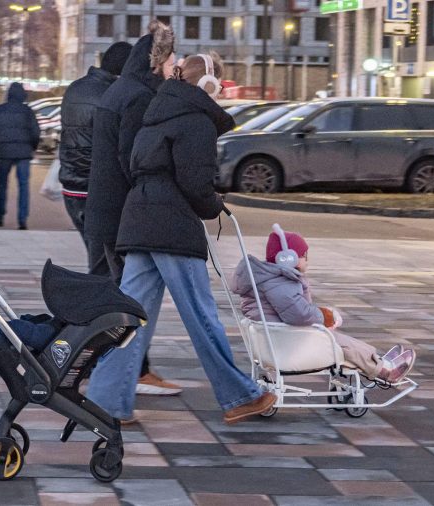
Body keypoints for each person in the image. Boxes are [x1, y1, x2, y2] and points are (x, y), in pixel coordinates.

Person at [86, 52, 277, 425]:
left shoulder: (154, 115)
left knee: (132, 320)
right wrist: (213, 204)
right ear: (209, 85)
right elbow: (194, 182)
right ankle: (240, 395)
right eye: (218, 85)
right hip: (171, 227)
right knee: (201, 316)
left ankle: (106, 402)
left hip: (138, 223)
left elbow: (132, 164)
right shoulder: (196, 121)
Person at [83, 22, 183, 398]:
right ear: (156, 60)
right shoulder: (139, 97)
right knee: (129, 301)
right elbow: (133, 158)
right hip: (122, 213)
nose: (175, 62)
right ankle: (126, 376)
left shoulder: (119, 90)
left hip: (103, 211)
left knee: (105, 295)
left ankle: (88, 365)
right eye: (171, 56)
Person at [230, 225, 416, 382]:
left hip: (276, 335)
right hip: (287, 340)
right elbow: (299, 314)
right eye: (304, 256)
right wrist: (324, 316)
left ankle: (379, 359)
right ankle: (384, 369)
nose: (307, 260)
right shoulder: (280, 283)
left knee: (337, 339)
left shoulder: (268, 279)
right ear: (288, 258)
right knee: (341, 343)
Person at [58, 41, 132, 249]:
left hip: (71, 186)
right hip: (97, 190)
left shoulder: (75, 88)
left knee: (97, 256)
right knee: (105, 263)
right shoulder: (112, 96)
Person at [0, 82, 40, 230]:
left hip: (3, 153)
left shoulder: (0, 110)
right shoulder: (27, 111)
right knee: (23, 186)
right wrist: (32, 147)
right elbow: (36, 132)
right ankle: (22, 219)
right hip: (24, 153)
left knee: (2, 185)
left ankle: (0, 216)